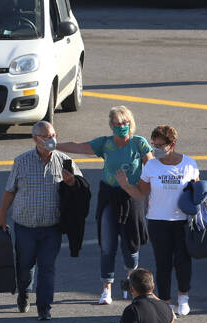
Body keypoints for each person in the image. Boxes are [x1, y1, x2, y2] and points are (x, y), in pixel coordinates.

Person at [57, 106, 152, 305]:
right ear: (111, 125)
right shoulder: (105, 144)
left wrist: (150, 195)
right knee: (108, 244)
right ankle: (106, 288)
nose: (121, 127)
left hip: (132, 197)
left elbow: (151, 167)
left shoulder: (139, 143)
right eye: (117, 124)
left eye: (125, 123)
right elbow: (80, 146)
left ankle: (131, 282)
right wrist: (54, 145)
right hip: (109, 196)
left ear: (130, 123)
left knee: (130, 244)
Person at [0, 121, 81, 320]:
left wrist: (73, 182)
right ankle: (24, 291)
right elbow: (9, 191)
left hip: (52, 228)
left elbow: (81, 188)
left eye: (53, 135)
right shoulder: (21, 161)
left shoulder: (65, 161)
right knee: (25, 266)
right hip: (25, 227)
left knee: (47, 267)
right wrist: (1, 217)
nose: (51, 139)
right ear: (36, 138)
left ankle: (44, 307)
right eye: (47, 136)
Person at [115, 126, 199, 316]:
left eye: (160, 145)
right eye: (154, 145)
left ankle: (183, 297)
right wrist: (126, 185)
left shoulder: (189, 164)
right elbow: (141, 192)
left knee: (183, 261)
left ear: (172, 145)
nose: (156, 149)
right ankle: (166, 302)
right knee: (163, 263)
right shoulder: (152, 166)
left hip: (183, 221)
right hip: (157, 221)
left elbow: (197, 194)